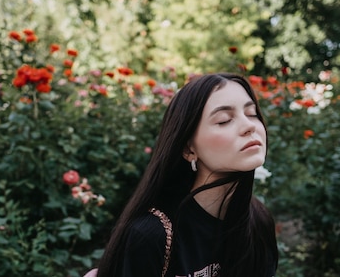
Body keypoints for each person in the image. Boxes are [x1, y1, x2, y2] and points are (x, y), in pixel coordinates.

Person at [94, 73, 278, 277]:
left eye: (252, 113)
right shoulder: (151, 234)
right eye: (224, 120)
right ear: (189, 149)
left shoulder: (258, 222)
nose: (249, 126)